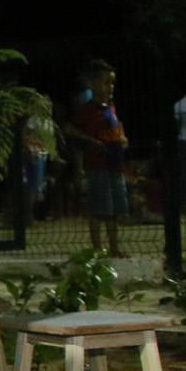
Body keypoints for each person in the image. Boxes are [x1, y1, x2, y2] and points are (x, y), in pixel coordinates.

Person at [66, 59, 127, 257]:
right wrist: (90, 141)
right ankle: (97, 248)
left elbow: (117, 127)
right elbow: (69, 128)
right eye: (105, 82)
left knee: (114, 211)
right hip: (98, 166)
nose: (110, 87)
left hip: (115, 165)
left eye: (112, 82)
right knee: (99, 210)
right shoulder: (88, 110)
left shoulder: (110, 107)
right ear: (92, 84)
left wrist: (122, 137)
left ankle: (114, 247)